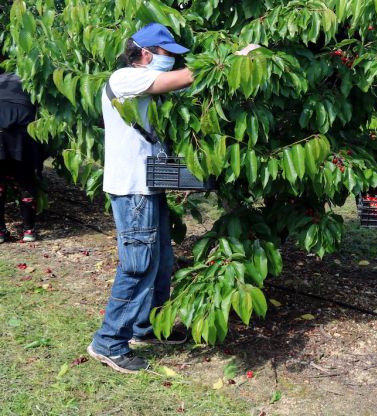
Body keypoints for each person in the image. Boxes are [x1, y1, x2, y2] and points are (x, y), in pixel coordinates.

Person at [87, 22, 259, 374]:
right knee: (138, 265)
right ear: (146, 54)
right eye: (166, 54)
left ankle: (144, 328)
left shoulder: (145, 88)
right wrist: (230, 58)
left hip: (148, 186)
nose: (172, 62)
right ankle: (108, 342)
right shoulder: (124, 77)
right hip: (132, 189)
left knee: (161, 260)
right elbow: (179, 79)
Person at [0, 72, 43, 243]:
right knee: (26, 182)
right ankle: (29, 230)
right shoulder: (30, 82)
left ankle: (1, 232)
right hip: (23, 133)